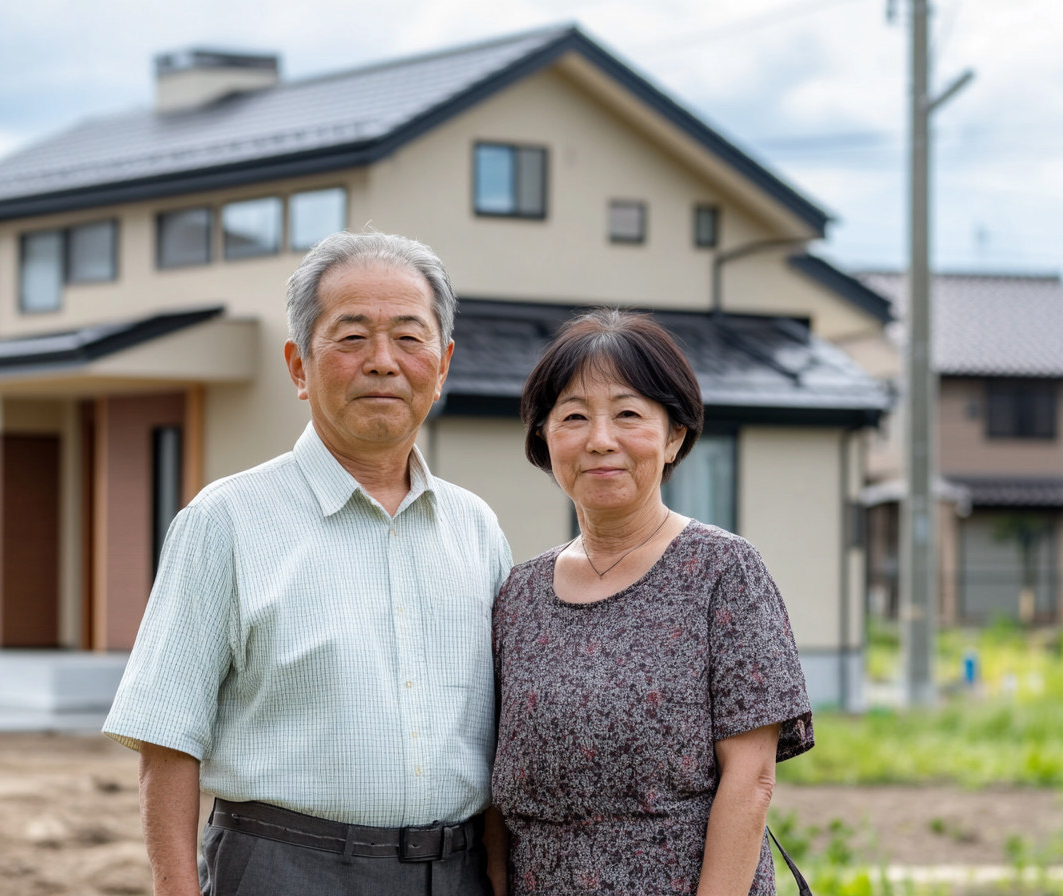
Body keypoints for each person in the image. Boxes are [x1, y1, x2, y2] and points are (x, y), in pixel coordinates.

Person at [102, 231, 513, 896]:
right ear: (298, 365)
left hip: (456, 873)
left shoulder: (478, 530)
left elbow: (498, 734)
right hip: (285, 869)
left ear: (442, 366)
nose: (383, 362)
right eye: (352, 337)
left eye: (409, 337)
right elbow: (167, 742)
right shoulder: (225, 521)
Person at [490, 309, 814, 895]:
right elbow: (490, 785)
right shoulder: (518, 594)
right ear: (545, 437)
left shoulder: (724, 571)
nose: (600, 440)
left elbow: (752, 778)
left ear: (674, 436)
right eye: (574, 417)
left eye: (628, 414)